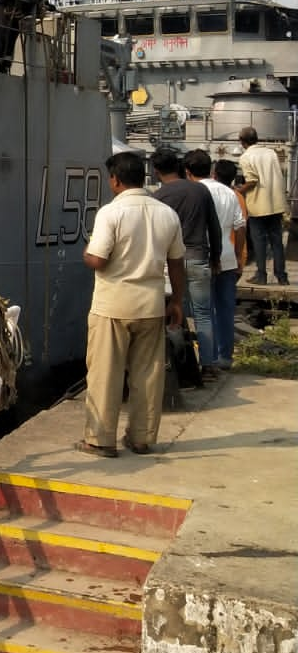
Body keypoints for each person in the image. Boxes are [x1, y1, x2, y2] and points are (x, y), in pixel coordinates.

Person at [81, 150, 186, 457]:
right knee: (148, 375)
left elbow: (98, 259)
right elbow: (177, 263)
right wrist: (177, 300)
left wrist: (86, 253)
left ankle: (100, 439)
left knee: (105, 374)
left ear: (114, 180)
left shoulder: (111, 213)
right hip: (151, 305)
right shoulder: (166, 214)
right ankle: (141, 438)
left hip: (112, 305)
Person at [151, 147, 221, 374]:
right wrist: (216, 258)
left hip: (170, 263)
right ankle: (208, 365)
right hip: (199, 258)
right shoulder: (200, 190)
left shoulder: (159, 197)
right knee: (203, 314)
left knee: (170, 311)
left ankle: (174, 366)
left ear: (155, 171)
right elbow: (214, 227)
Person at [192, 152, 247, 369]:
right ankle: (226, 356)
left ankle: (210, 357)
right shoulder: (229, 192)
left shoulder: (196, 192)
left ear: (188, 171)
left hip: (203, 256)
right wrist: (238, 256)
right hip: (227, 256)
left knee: (205, 310)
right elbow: (240, 227)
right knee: (225, 309)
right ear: (211, 170)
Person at [237, 127, 289, 285]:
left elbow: (252, 181)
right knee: (277, 242)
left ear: (242, 141)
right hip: (275, 204)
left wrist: (239, 190)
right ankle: (282, 277)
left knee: (259, 242)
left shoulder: (246, 157)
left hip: (259, 206)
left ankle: (261, 275)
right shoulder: (270, 153)